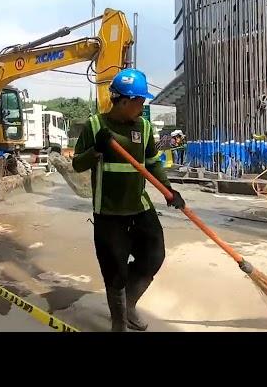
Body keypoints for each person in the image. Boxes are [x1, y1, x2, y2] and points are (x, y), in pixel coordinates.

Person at [72, 68, 186, 332]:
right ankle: (118, 323)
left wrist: (169, 192)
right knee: (115, 273)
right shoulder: (95, 126)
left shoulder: (144, 127)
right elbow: (78, 164)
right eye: (140, 101)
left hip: (140, 208)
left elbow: (152, 164)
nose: (143, 105)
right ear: (124, 101)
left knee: (153, 257)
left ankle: (130, 305)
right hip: (109, 213)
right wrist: (96, 149)